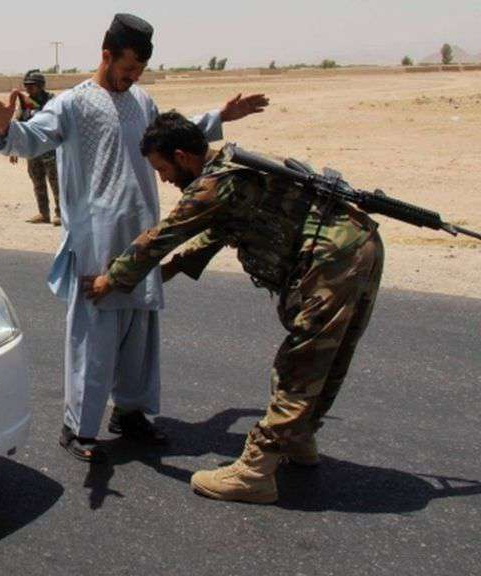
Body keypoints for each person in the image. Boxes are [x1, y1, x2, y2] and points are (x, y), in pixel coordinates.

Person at [0, 13, 269, 462]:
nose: (133, 77)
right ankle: (78, 427)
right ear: (107, 55)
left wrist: (221, 116)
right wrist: (6, 128)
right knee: (94, 335)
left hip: (142, 236)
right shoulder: (73, 104)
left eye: (139, 70)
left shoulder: (141, 100)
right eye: (128, 67)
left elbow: (172, 136)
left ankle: (130, 413)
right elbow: (31, 139)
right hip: (95, 241)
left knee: (139, 331)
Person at [84, 112, 384, 503]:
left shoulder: (213, 184)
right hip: (359, 244)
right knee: (330, 355)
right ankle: (297, 436)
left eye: (163, 169)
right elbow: (218, 231)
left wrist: (112, 279)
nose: (164, 179)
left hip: (333, 260)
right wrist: (173, 269)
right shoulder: (233, 167)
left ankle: (256, 470)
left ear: (182, 157)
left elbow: (162, 236)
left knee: (302, 363)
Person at [9, 69, 61, 226]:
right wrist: (14, 148)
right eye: (26, 85)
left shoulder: (52, 101)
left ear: (41, 86)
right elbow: (18, 123)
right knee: (37, 181)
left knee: (56, 182)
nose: (28, 88)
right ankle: (43, 213)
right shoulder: (25, 102)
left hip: (50, 149)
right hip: (32, 149)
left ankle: (60, 214)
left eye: (32, 85)